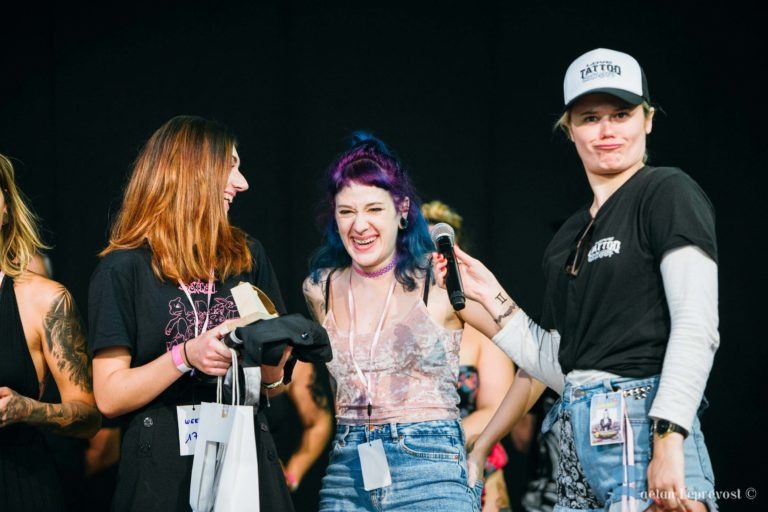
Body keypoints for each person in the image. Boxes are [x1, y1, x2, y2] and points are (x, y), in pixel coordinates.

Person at [438, 48, 719, 511]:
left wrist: (669, 438)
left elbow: (697, 325)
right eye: (590, 117)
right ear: (569, 129)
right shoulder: (569, 234)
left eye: (622, 114)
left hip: (644, 427)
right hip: (575, 437)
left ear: (647, 120)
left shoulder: (666, 191)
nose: (607, 131)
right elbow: (560, 366)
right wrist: (491, 295)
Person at [88, 115, 295, 512]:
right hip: (161, 470)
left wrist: (272, 363)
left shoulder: (248, 256)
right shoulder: (123, 269)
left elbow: (276, 383)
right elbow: (109, 396)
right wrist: (185, 356)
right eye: (230, 166)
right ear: (191, 172)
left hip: (244, 459)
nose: (242, 182)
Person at [303, 133, 499, 511]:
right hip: (347, 470)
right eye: (347, 212)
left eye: (374, 209)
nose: (359, 225)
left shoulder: (438, 279)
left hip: (430, 467)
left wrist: (483, 444)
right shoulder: (319, 288)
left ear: (402, 208)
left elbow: (534, 356)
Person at [0, 152, 101, 511]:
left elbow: (89, 416)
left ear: (7, 207)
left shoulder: (44, 299)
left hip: (19, 485)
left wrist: (27, 409)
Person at [422, 200, 515, 512]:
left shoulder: (479, 325)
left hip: (471, 468)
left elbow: (496, 407)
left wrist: (429, 447)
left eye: (436, 248)